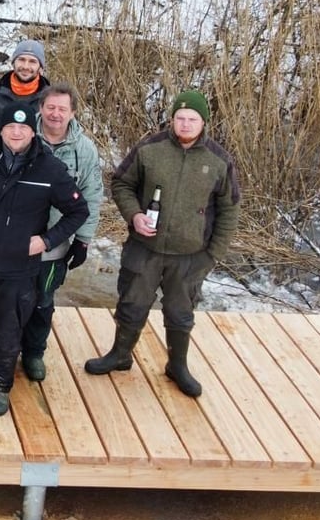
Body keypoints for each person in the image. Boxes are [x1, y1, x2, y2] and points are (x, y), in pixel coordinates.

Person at [85, 90, 240, 398]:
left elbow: (230, 209)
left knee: (181, 313)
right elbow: (121, 183)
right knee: (131, 304)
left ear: (203, 122)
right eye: (180, 118)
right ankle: (119, 354)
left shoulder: (219, 160)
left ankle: (177, 366)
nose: (185, 124)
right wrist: (134, 215)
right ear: (171, 119)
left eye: (192, 119)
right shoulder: (149, 148)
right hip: (145, 248)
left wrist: (212, 255)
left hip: (190, 255)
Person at [0, 102, 88, 416]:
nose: (17, 132)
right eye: (11, 126)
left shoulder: (49, 168)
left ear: (32, 130)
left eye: (23, 127)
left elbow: (79, 211)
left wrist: (47, 240)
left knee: (9, 331)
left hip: (19, 267)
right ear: (2, 129)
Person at [18, 84, 104, 380]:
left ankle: (34, 352)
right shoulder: (21, 135)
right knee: (8, 298)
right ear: (40, 108)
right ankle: (6, 347)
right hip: (17, 239)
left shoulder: (85, 150)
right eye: (50, 107)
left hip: (55, 241)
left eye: (62, 109)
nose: (55, 114)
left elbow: (92, 194)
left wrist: (83, 240)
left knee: (43, 300)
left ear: (73, 113)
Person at [0, 40, 51, 135]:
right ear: (13, 62)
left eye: (32, 61)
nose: (26, 66)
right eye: (21, 59)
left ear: (41, 67)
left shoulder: (51, 100)